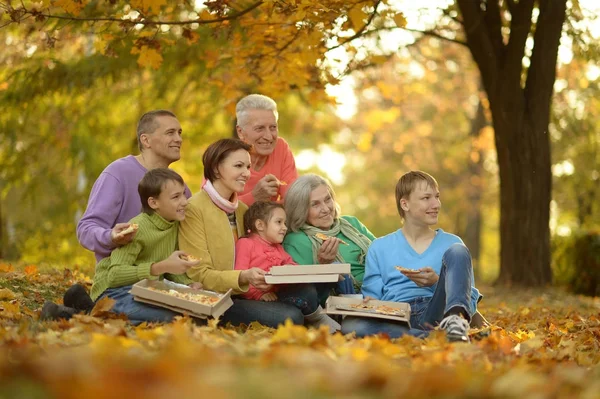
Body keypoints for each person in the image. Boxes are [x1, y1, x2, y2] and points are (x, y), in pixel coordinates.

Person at [178, 138, 314, 328]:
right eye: (239, 166)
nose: (247, 174)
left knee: (308, 293)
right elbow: (199, 275)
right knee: (291, 317)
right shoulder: (194, 209)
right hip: (219, 300)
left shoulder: (241, 209)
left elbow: (263, 251)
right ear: (217, 168)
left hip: (251, 291)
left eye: (248, 167)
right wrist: (242, 277)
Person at [42, 169, 202, 324]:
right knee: (170, 318)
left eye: (183, 194)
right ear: (154, 203)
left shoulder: (174, 225)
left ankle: (84, 305)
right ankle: (69, 313)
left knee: (184, 314)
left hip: (144, 291)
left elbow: (171, 267)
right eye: (176, 197)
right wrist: (158, 268)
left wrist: (188, 285)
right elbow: (114, 275)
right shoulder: (137, 228)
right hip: (114, 291)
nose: (184, 201)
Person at [341, 171, 482, 342]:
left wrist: (436, 282)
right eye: (426, 198)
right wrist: (369, 303)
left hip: (437, 313)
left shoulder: (452, 244)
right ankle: (436, 338)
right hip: (397, 318)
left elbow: (470, 299)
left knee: (458, 250)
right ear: (405, 204)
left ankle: (454, 323)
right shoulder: (379, 247)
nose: (436, 204)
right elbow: (372, 298)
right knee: (351, 326)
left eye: (437, 197)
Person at [76, 110, 192, 263]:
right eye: (170, 133)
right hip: (120, 280)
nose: (178, 139)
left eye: (179, 133)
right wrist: (111, 237)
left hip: (165, 282)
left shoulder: (181, 189)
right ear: (146, 140)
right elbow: (86, 229)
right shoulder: (117, 174)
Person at [234, 201, 340, 332]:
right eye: (279, 222)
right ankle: (317, 319)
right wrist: (258, 295)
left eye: (284, 223)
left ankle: (317, 318)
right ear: (260, 225)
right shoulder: (245, 244)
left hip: (277, 295)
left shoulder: (277, 247)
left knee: (307, 289)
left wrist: (289, 268)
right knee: (295, 312)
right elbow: (239, 276)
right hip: (255, 300)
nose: (284, 227)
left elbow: (291, 264)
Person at [283, 174, 376, 304]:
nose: (326, 209)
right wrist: (324, 267)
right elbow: (309, 298)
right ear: (300, 210)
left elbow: (383, 254)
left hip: (382, 291)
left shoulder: (351, 223)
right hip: (345, 302)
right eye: (315, 204)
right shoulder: (295, 240)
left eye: (328, 199)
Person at [235, 94, 298, 205]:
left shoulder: (281, 147)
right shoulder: (222, 155)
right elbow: (210, 209)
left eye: (273, 127)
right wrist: (254, 197)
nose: (269, 137)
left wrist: (280, 188)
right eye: (260, 128)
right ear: (240, 132)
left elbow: (296, 198)